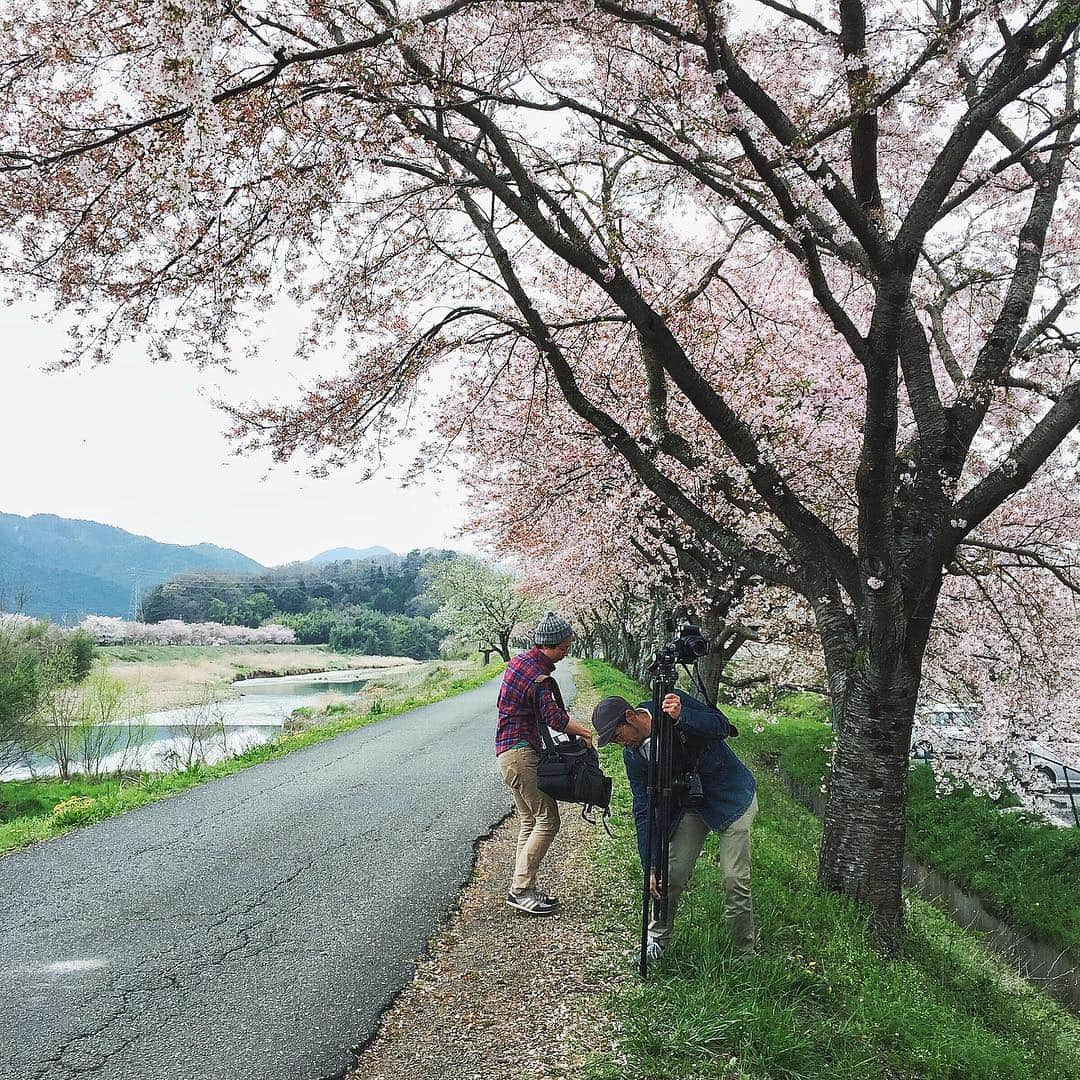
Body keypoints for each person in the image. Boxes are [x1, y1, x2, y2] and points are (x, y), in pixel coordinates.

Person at [592, 689, 758, 960]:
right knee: (669, 874)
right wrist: (651, 865)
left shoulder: (670, 705)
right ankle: (657, 940)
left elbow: (722, 726)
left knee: (734, 878)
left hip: (731, 796)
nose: (619, 743)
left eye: (617, 735)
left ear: (631, 717)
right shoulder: (634, 756)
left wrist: (684, 717)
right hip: (691, 805)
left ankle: (744, 952)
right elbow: (643, 808)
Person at [495, 612, 595, 916]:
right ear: (548, 645)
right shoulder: (538, 678)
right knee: (549, 820)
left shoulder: (519, 662)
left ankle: (523, 886)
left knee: (530, 821)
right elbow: (555, 719)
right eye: (563, 648)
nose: (565, 653)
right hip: (522, 755)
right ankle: (521, 890)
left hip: (507, 754)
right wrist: (585, 732)